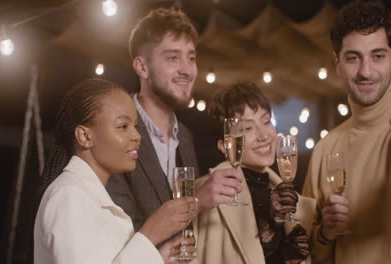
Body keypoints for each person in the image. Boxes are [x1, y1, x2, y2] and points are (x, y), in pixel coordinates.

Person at [106, 7, 244, 235]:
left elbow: (188, 231)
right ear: (142, 67)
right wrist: (197, 202)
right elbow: (118, 234)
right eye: (173, 57)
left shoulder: (186, 137)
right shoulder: (114, 132)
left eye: (191, 58)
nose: (187, 70)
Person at [34, 78, 197, 263]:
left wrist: (158, 257)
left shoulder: (89, 194)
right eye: (122, 127)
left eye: (135, 126)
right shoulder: (70, 196)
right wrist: (150, 234)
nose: (136, 136)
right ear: (85, 136)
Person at [302, 1, 391, 263]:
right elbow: (304, 253)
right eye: (353, 58)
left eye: (378, 56)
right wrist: (324, 234)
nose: (365, 71)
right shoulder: (325, 149)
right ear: (337, 62)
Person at [192, 82, 317, 264]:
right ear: (224, 146)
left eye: (266, 121)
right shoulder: (208, 195)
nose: (264, 135)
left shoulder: (284, 194)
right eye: (247, 128)